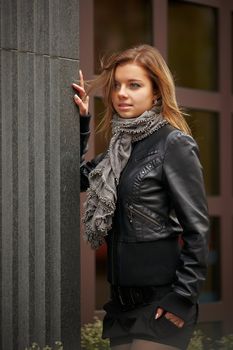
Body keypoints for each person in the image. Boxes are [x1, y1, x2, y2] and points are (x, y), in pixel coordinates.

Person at [73, 45, 209, 350]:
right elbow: (77, 179)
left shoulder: (174, 144)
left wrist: (182, 298)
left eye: (134, 85)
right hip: (121, 301)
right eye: (117, 85)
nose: (122, 93)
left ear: (156, 92)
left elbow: (197, 230)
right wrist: (81, 123)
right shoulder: (118, 150)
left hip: (162, 298)